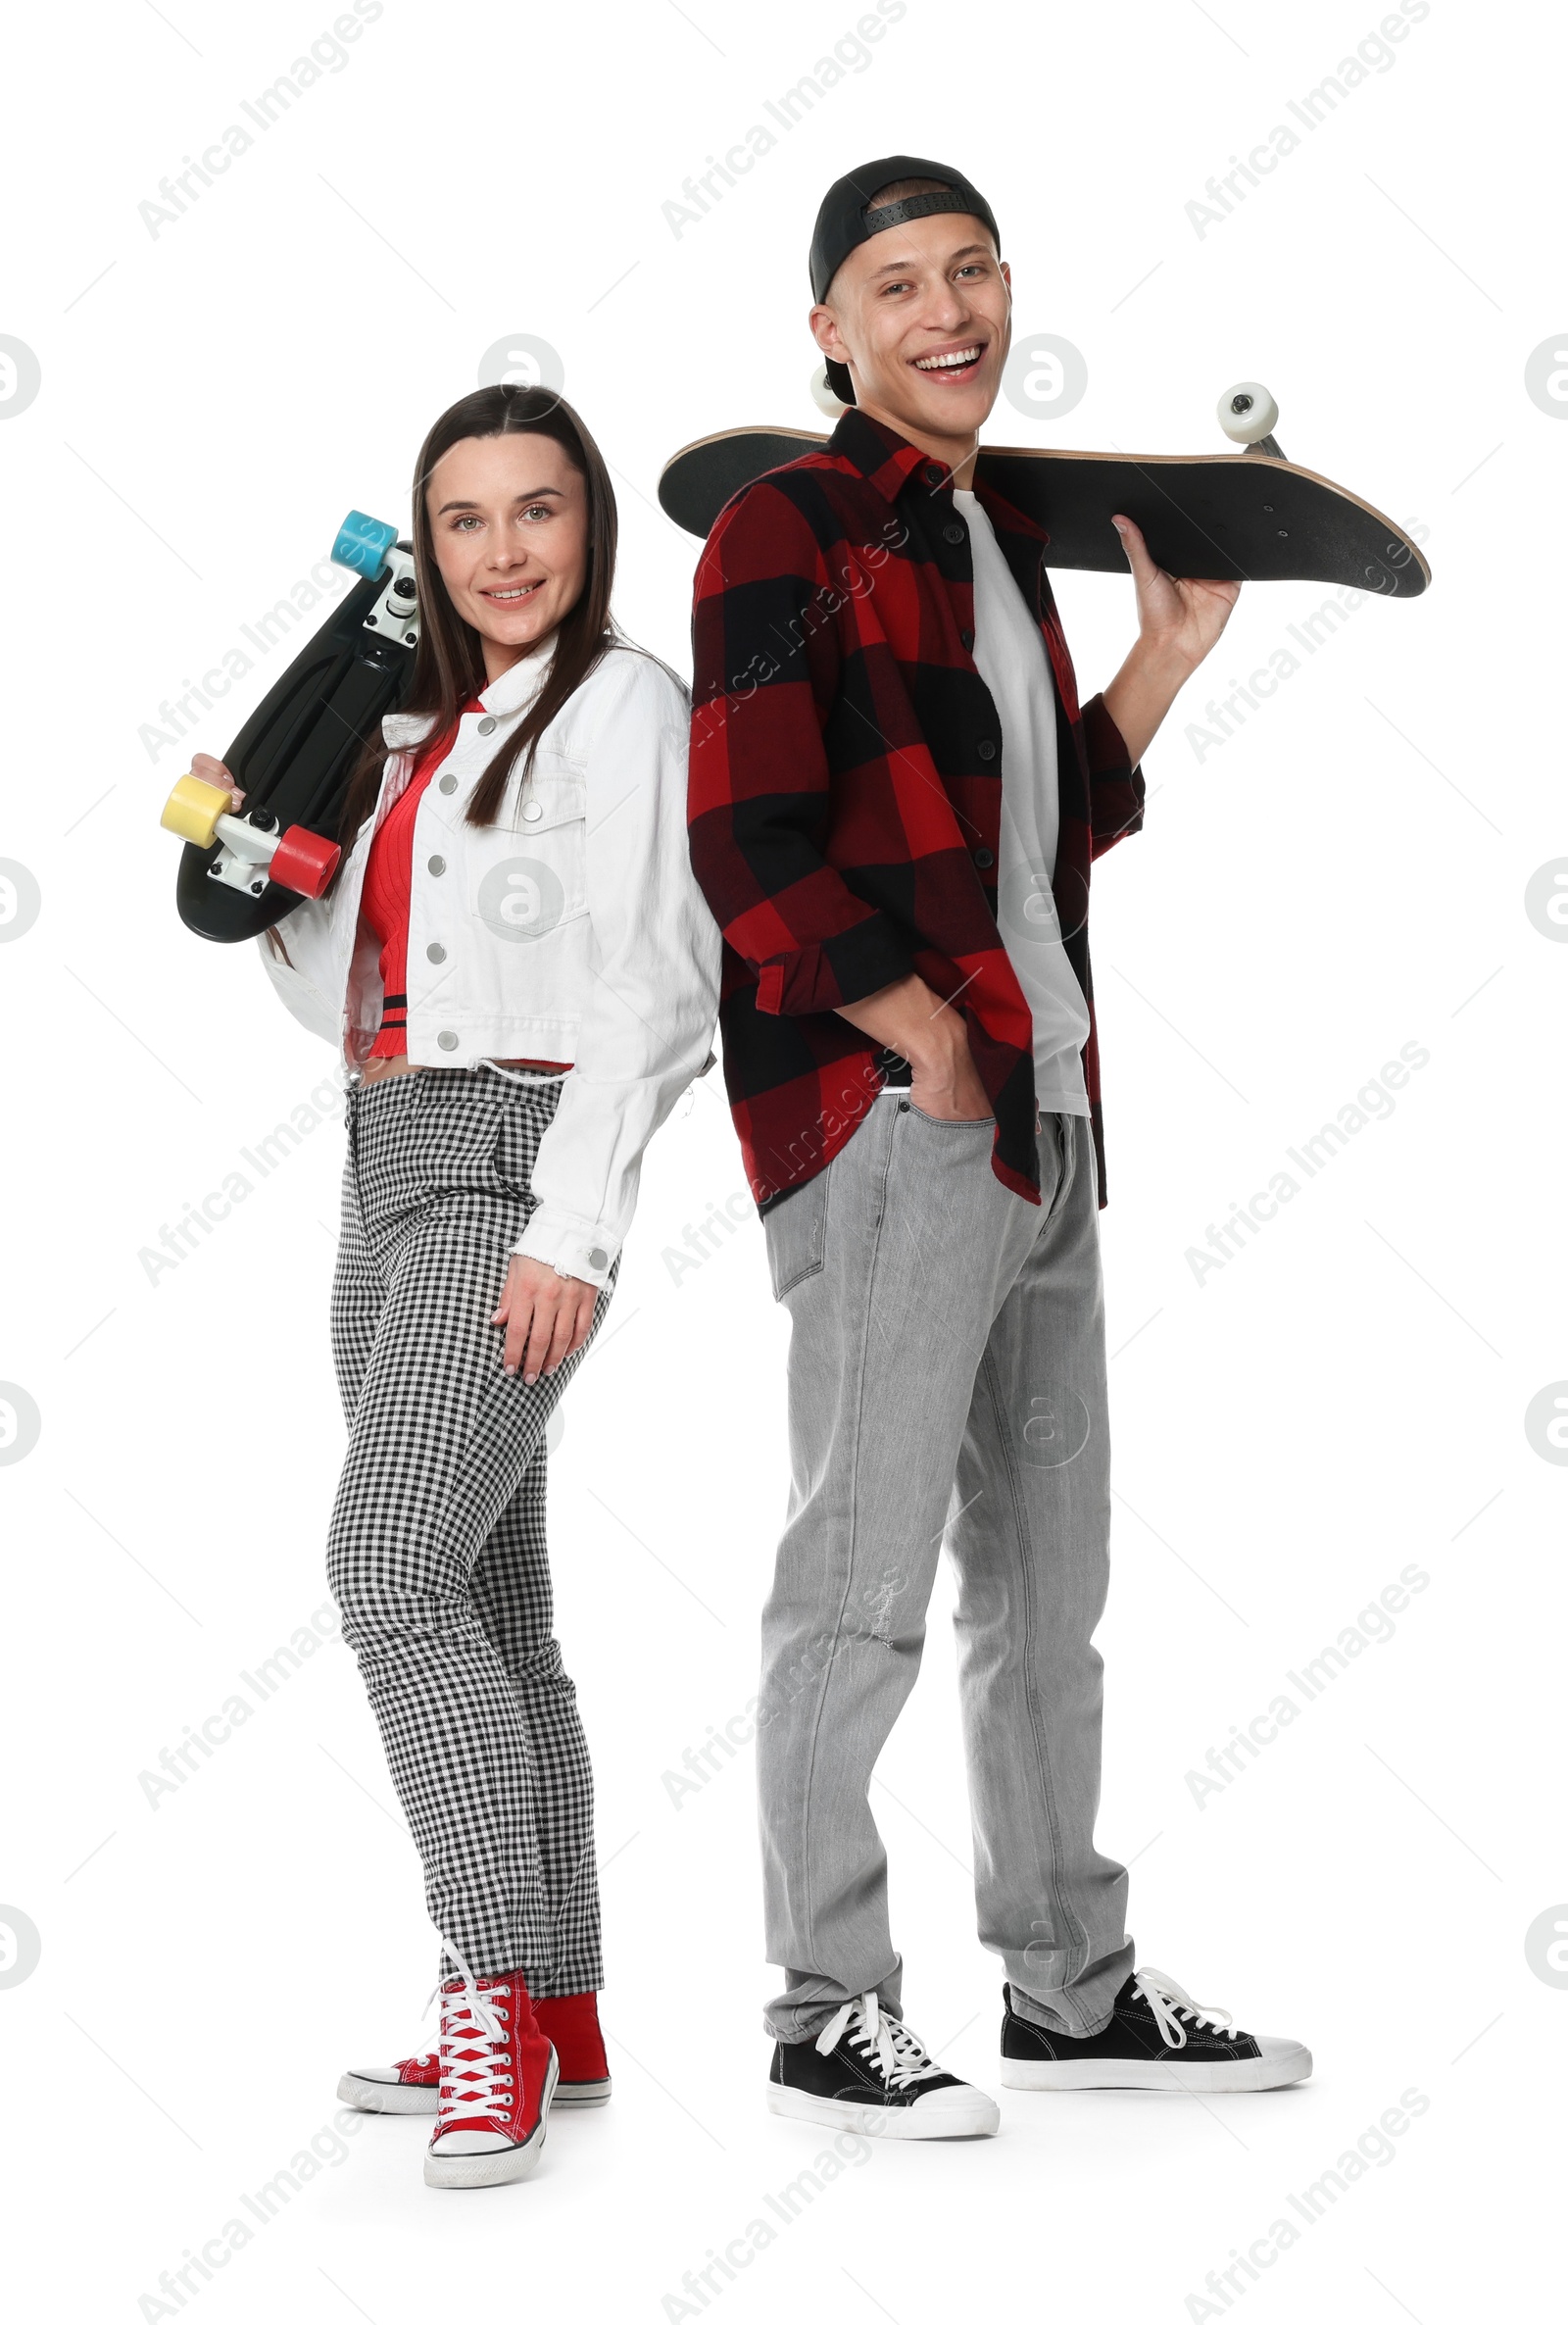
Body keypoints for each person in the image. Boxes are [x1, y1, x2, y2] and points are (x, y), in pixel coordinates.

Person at [686, 158, 1310, 2137]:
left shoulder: (981, 537)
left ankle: (1067, 1979)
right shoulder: (784, 525)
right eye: (895, 282)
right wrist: (926, 1041)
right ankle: (819, 2002)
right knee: (856, 1578)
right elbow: (746, 843)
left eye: (970, 271)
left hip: (1042, 1112)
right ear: (828, 329)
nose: (944, 309)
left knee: (1046, 1583)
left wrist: (1161, 659)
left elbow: (1024, 831)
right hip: (893, 1120)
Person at [197, 383, 718, 2187]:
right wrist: (269, 893)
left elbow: (658, 982)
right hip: (381, 1158)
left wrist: (571, 1231)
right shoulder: (418, 726)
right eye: (471, 521)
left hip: (512, 1167)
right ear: (428, 548)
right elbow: (354, 994)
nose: (507, 552)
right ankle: (562, 2009)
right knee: (487, 1602)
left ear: (591, 530)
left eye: (541, 512)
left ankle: (486, 1980)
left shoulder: (627, 707)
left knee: (383, 1570)